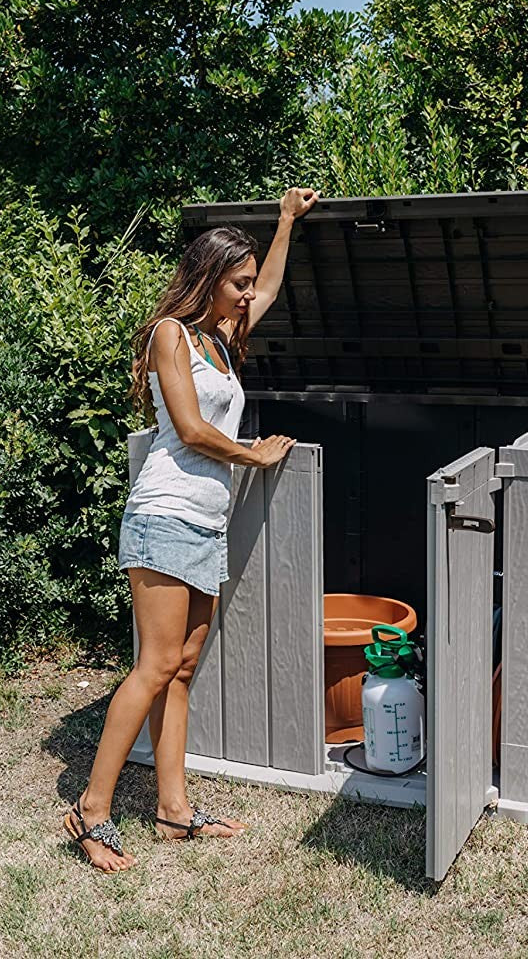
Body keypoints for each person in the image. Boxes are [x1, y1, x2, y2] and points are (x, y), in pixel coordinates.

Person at [64, 187, 320, 871]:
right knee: (152, 667)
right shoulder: (170, 336)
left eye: (245, 285)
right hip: (163, 516)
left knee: (180, 671)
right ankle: (91, 811)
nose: (246, 296)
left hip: (205, 525)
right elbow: (191, 430)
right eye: (235, 283)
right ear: (208, 279)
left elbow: (267, 288)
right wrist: (253, 453)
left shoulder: (223, 339)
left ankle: (174, 813)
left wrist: (286, 221)